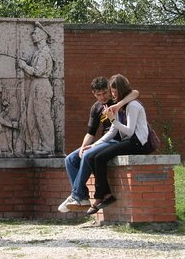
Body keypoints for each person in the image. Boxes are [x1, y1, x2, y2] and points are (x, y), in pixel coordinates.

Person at [58, 77, 138, 212]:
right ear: (93, 94)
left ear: (110, 90)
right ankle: (82, 196)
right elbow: (90, 133)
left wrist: (118, 104)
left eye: (105, 93)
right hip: (103, 140)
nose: (103, 97)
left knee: (88, 155)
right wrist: (83, 147)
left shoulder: (116, 99)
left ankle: (76, 195)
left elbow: (135, 93)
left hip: (116, 140)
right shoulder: (96, 108)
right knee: (71, 159)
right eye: (98, 95)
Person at [86, 74, 151, 214]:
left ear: (121, 91)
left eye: (114, 92)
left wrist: (113, 120)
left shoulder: (133, 105)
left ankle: (98, 198)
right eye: (112, 92)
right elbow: (112, 131)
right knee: (92, 156)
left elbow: (129, 131)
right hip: (128, 141)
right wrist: (94, 145)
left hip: (138, 143)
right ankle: (107, 194)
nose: (112, 95)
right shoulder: (120, 106)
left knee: (99, 158)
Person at [18, 22, 55, 156]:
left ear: (41, 36)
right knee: (31, 116)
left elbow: (38, 72)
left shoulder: (45, 53)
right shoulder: (38, 52)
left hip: (42, 85)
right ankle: (36, 145)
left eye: (35, 33)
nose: (32, 35)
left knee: (43, 116)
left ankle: (48, 146)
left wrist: (23, 66)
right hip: (36, 85)